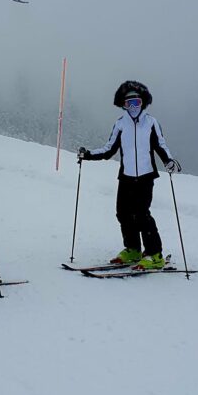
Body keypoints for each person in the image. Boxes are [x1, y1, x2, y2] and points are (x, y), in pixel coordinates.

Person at [78, 80, 181, 269]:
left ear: (143, 103)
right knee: (123, 213)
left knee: (142, 214)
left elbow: (160, 145)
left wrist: (168, 160)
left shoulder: (151, 123)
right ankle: (133, 249)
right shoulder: (120, 124)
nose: (133, 107)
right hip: (126, 177)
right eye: (128, 103)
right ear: (123, 105)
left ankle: (154, 254)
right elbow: (109, 149)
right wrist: (88, 155)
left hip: (145, 176)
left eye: (137, 102)